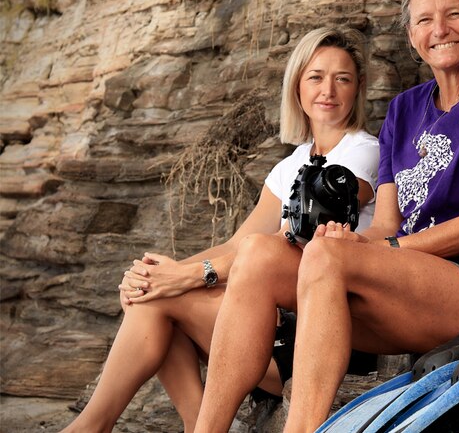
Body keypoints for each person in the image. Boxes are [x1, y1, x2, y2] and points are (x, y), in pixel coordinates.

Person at [194, 0, 459, 433]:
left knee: (330, 255)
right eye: (424, 20)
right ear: (411, 35)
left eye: (454, 15)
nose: (440, 29)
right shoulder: (406, 109)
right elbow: (387, 224)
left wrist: (370, 252)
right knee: (261, 252)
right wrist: (352, 241)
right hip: (412, 286)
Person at [60, 26, 380, 433]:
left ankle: (93, 427)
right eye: (315, 77)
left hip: (318, 340)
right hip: (268, 331)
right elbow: (237, 244)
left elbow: (287, 240)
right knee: (152, 293)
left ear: (358, 88)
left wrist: (178, 278)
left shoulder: (363, 152)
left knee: (157, 301)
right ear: (297, 85)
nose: (328, 90)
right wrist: (154, 275)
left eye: (343, 79)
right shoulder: (291, 164)